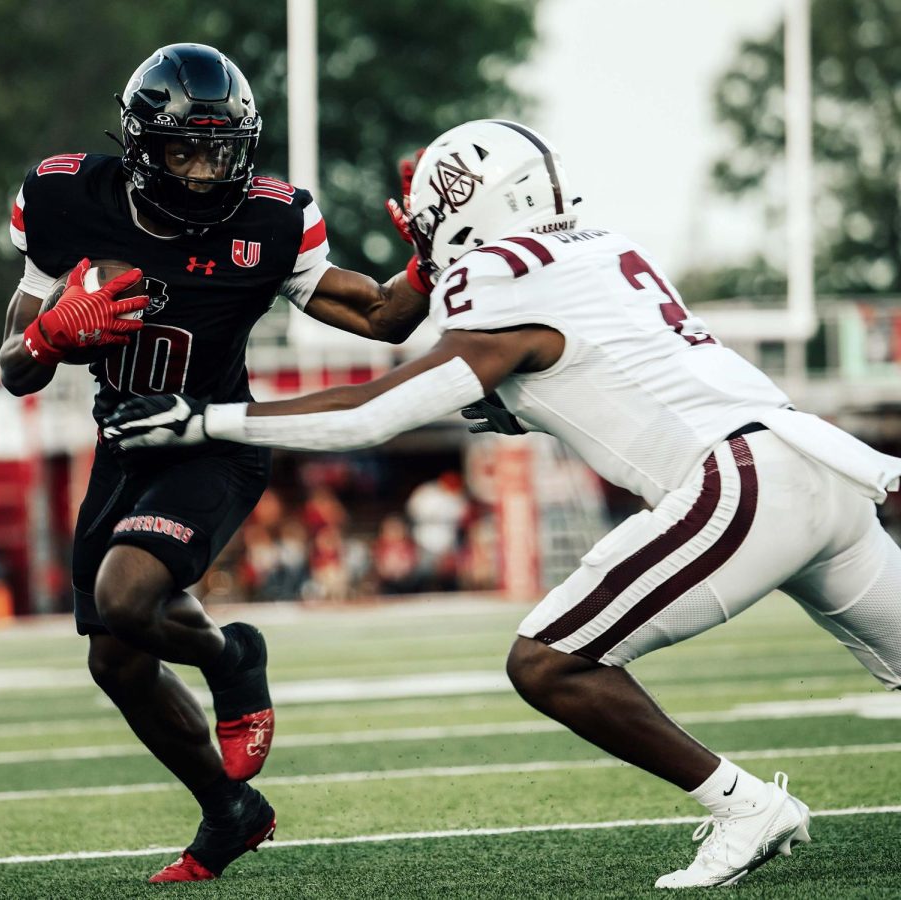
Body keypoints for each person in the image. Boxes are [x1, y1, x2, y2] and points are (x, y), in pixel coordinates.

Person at [102, 118, 901, 889]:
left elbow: (373, 410)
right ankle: (748, 806)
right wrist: (513, 402)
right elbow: (599, 369)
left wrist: (202, 419)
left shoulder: (495, 272)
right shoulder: (606, 245)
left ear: (458, 208)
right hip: (821, 463)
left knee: (548, 661)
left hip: (742, 483)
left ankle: (745, 806)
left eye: (427, 223)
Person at [0, 44, 432, 883]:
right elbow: (14, 365)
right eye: (183, 151)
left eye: (221, 152)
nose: (203, 172)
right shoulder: (64, 198)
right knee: (115, 660)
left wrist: (427, 257)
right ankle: (230, 810)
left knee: (128, 597)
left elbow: (383, 318)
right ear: (139, 148)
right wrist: (49, 334)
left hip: (214, 438)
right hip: (125, 440)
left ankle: (235, 659)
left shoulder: (271, 219)